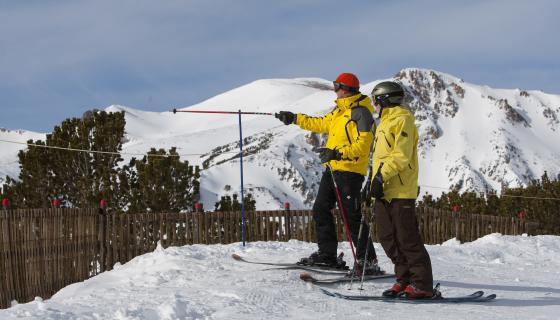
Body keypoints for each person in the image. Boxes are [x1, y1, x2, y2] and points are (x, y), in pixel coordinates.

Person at [275, 72, 380, 275]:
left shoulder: (361, 113)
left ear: (346, 89)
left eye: (336, 86)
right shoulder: (339, 112)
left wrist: (338, 153)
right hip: (331, 170)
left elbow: (363, 145)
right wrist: (294, 118)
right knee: (320, 209)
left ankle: (369, 261)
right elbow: (320, 123)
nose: (335, 90)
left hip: (350, 172)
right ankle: (327, 255)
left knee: (352, 217)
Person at [368, 81, 434, 298]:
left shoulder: (403, 120)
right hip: (383, 189)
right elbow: (379, 159)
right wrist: (371, 183)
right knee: (388, 238)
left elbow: (401, 156)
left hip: (400, 190)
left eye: (376, 101)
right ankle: (404, 279)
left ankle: (422, 285)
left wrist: (380, 178)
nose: (374, 106)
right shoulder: (383, 124)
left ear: (385, 100)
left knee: (407, 239)